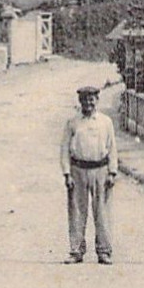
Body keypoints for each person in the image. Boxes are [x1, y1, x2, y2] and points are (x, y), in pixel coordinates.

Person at [59, 85, 117, 264]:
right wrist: (67, 173)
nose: (88, 103)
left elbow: (112, 148)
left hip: (100, 170)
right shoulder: (72, 122)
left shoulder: (105, 122)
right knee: (77, 211)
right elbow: (64, 149)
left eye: (91, 99)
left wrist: (112, 172)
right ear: (80, 102)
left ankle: (104, 251)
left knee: (102, 212)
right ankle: (76, 251)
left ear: (97, 101)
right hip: (78, 170)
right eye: (84, 99)